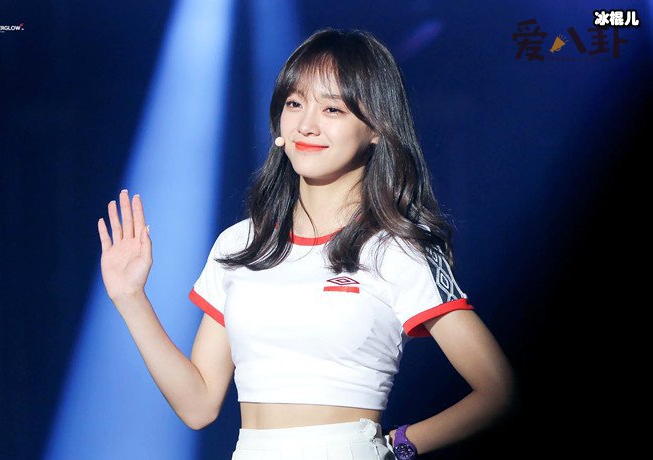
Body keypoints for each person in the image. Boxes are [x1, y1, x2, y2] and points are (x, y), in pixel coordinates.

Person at [97, 28, 515, 459]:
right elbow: (199, 405)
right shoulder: (241, 244)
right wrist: (130, 298)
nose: (307, 125)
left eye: (332, 108)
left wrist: (397, 446)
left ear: (376, 128)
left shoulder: (397, 248)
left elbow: (499, 391)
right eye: (295, 103)